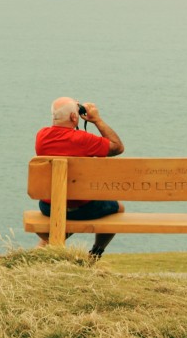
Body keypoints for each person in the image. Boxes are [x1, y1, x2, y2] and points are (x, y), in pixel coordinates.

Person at [34, 96, 125, 259]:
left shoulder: (41, 136)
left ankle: (40, 254)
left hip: (49, 207)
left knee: (64, 213)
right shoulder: (85, 140)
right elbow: (117, 147)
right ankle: (95, 253)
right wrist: (97, 120)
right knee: (118, 209)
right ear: (74, 117)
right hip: (84, 209)